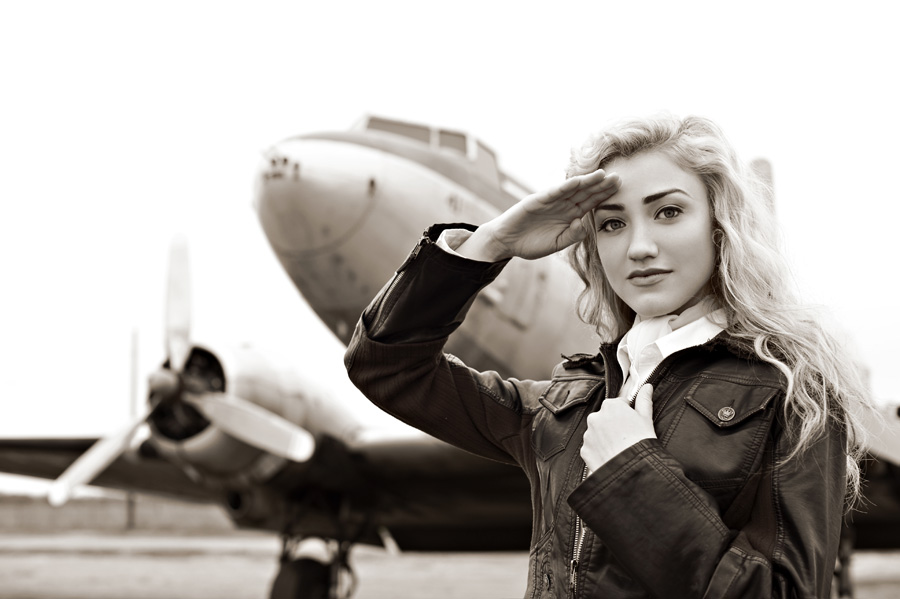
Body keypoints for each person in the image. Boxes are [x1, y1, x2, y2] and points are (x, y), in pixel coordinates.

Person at [344, 114, 870, 598]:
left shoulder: (794, 387)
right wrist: (490, 242)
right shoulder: (567, 407)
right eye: (612, 223)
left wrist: (632, 472)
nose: (639, 246)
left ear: (719, 226)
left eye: (668, 212)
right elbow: (387, 368)